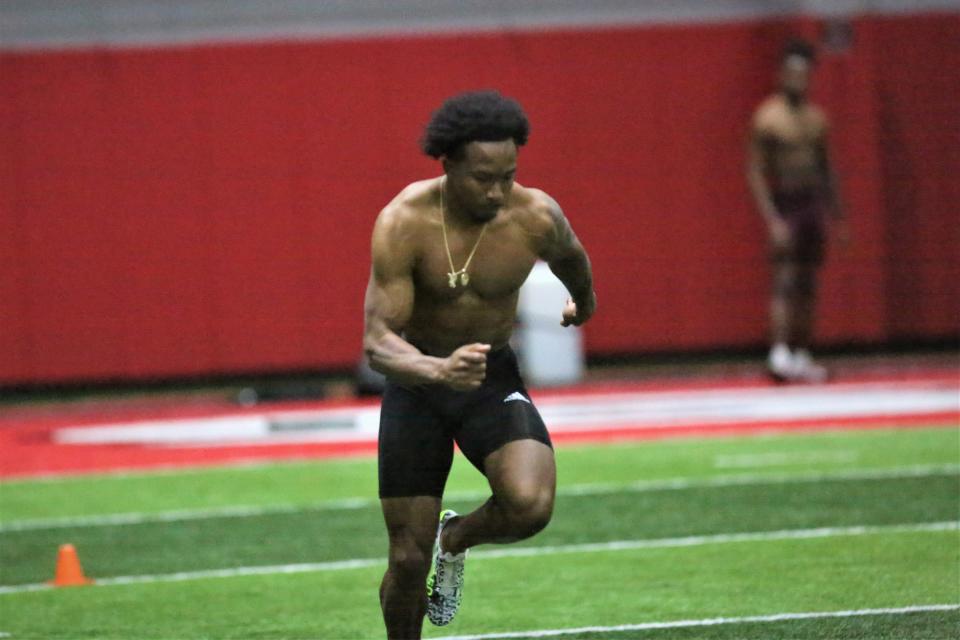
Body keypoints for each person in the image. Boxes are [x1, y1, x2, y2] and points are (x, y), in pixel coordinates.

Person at [363, 90, 596, 639]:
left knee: (530, 505)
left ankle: (457, 538)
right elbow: (377, 343)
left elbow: (573, 258)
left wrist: (583, 304)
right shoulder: (403, 222)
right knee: (405, 561)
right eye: (481, 178)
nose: (496, 191)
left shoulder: (533, 215)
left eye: (507, 176)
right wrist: (435, 371)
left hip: (490, 376)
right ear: (447, 164)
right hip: (417, 386)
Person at [747, 38, 847, 383]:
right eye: (791, 73)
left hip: (812, 205)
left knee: (809, 282)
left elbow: (827, 169)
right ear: (781, 74)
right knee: (784, 280)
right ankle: (779, 354)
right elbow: (756, 172)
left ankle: (802, 353)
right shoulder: (768, 118)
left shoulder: (816, 119)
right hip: (786, 203)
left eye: (803, 74)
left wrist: (838, 216)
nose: (796, 80)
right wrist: (772, 217)